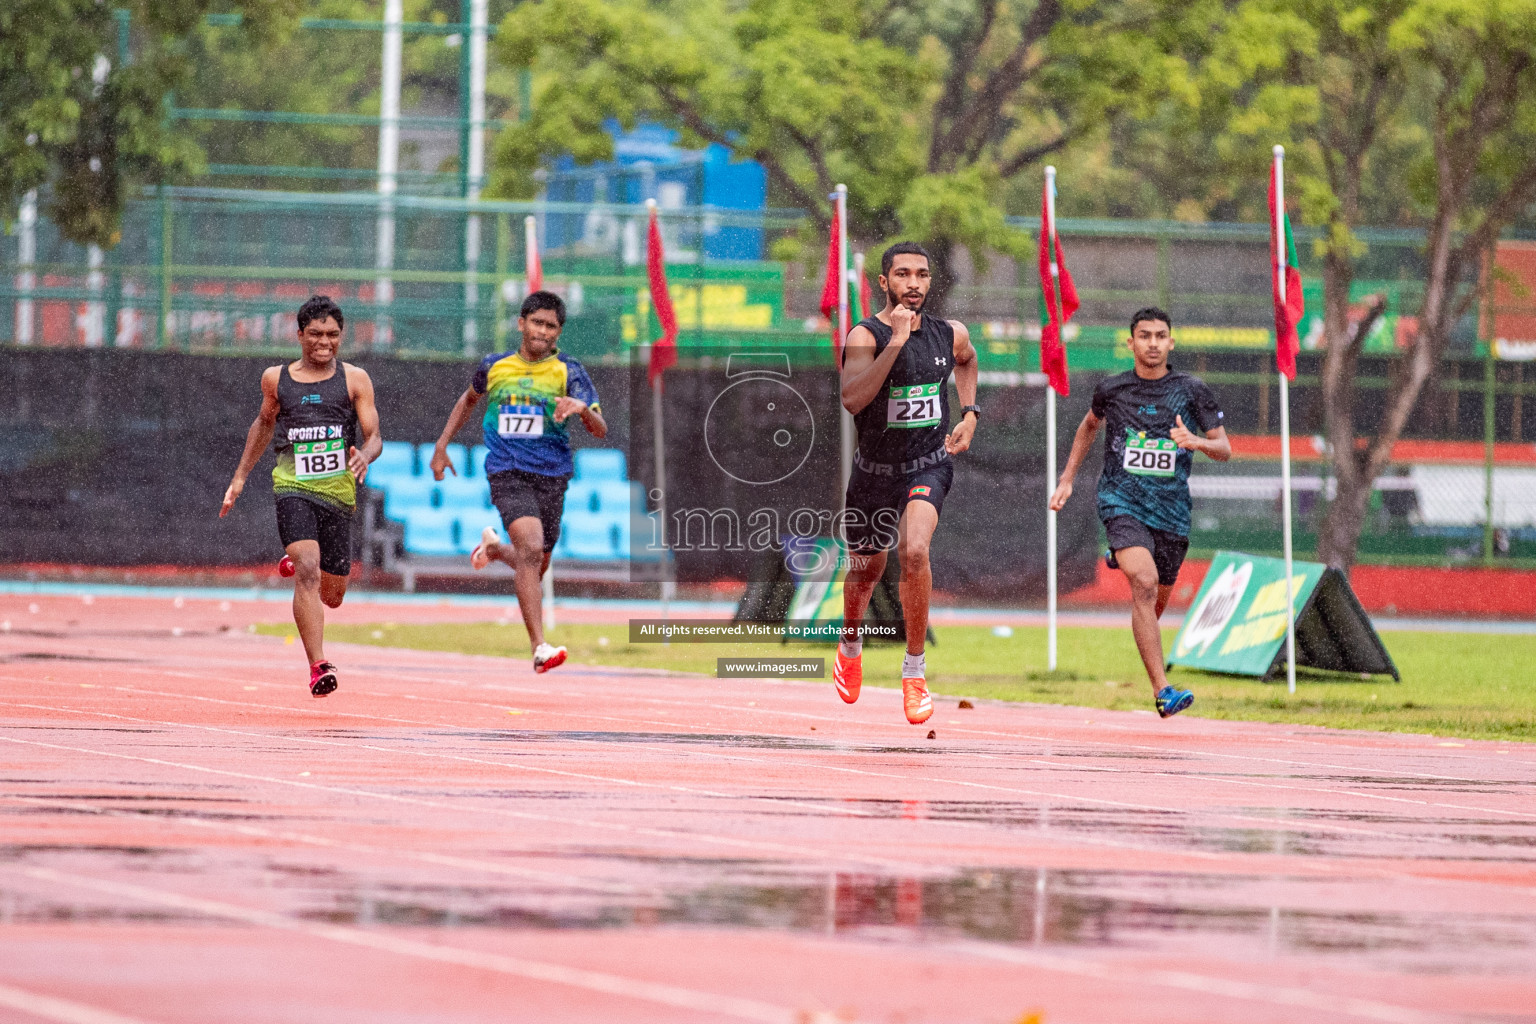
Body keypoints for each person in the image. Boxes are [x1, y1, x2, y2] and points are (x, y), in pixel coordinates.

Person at [1049, 307, 1230, 718]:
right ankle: (1163, 691)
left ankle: (1126, 557)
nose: (1152, 343)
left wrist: (1195, 442)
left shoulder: (1191, 390)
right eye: (1144, 336)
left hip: (1171, 513)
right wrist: (1068, 478)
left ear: (1171, 342)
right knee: (1144, 583)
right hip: (1121, 500)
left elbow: (1224, 449)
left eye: (1159, 335)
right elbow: (1089, 426)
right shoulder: (1111, 389)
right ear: (1130, 343)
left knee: (1152, 601)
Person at [833, 242, 980, 725]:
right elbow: (853, 399)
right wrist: (894, 342)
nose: (913, 283)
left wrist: (970, 413)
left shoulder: (948, 333)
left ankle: (914, 671)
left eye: (921, 275)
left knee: (914, 551)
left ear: (930, 282)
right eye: (902, 275)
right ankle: (850, 642)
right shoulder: (865, 335)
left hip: (927, 465)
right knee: (865, 573)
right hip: (874, 475)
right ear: (884, 282)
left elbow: (968, 359)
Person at [429, 291, 606, 673]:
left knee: (534, 562)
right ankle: (539, 647)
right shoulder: (494, 366)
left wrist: (581, 410)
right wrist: (442, 445)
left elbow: (600, 428)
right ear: (521, 323)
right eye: (537, 322)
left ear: (559, 334)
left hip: (553, 475)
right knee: (529, 547)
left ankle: (493, 550)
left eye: (551, 326)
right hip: (507, 470)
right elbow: (468, 399)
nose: (543, 331)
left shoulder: (569, 371)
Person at [220, 295, 382, 697]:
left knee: (334, 595)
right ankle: (317, 664)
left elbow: (374, 435)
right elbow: (262, 425)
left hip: (338, 495)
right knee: (308, 566)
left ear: (341, 336)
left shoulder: (355, 380)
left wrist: (365, 454)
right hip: (293, 487)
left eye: (332, 335)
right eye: (315, 334)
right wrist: (240, 477)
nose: (324, 342)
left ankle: (298, 560)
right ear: (299, 335)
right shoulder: (277, 379)